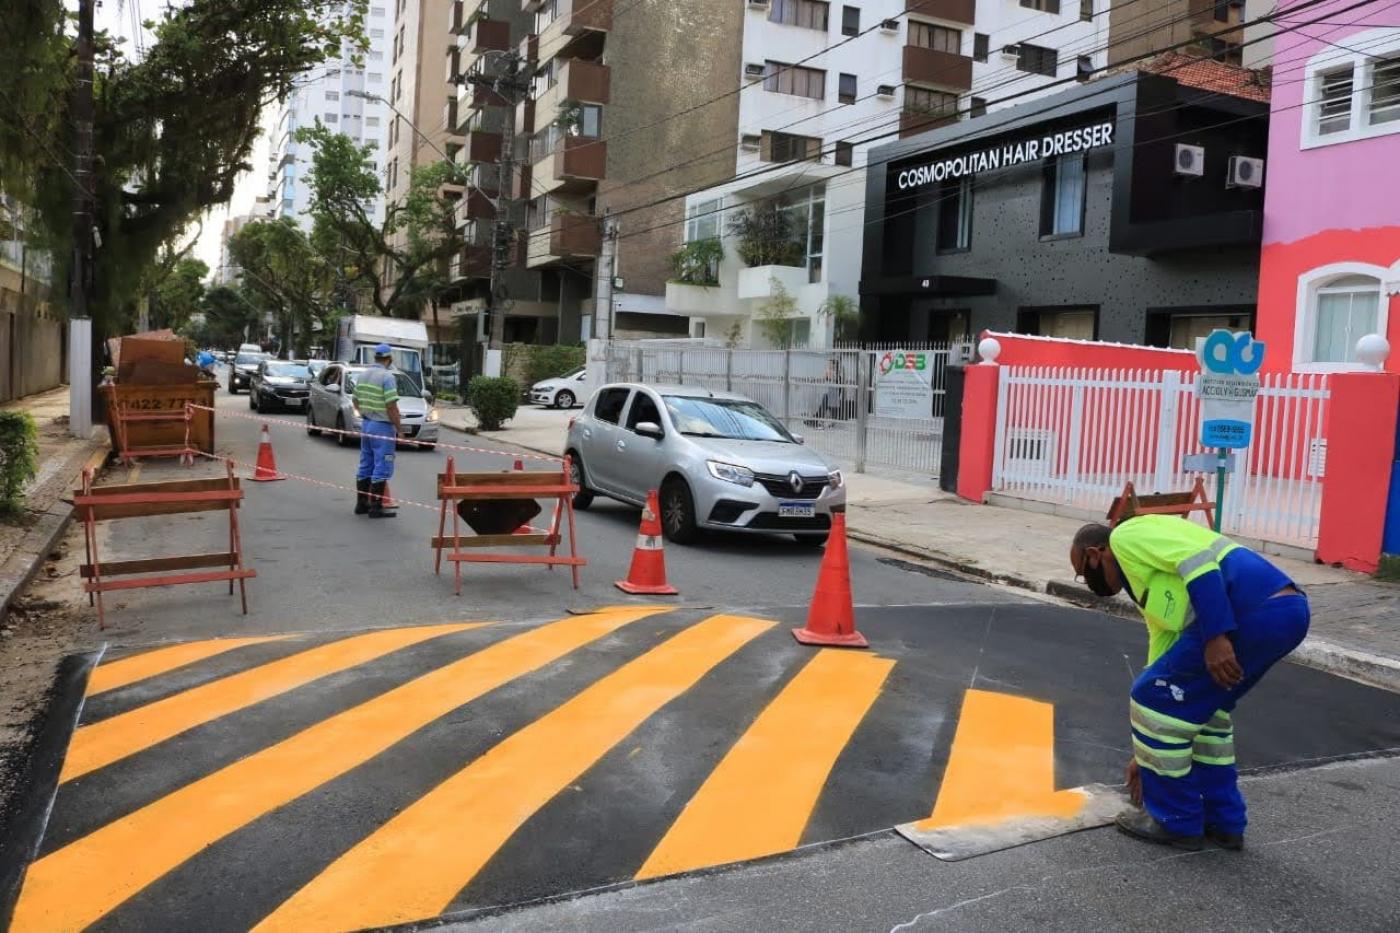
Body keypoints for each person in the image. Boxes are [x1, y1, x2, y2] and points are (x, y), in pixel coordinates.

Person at [1069, 514, 1310, 851]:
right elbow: (1162, 666)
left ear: (1096, 553)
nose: (1088, 580)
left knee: (1150, 699)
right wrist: (1146, 751)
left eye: (1083, 572)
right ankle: (1224, 822)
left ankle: (1175, 819)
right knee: (1203, 714)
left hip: (1249, 610)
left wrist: (1216, 635)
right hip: (1284, 612)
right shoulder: (1143, 583)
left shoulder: (1125, 537)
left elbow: (1199, 563)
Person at [353, 344, 402, 519]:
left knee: (366, 463)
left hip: (366, 425)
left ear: (375, 357)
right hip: (382, 427)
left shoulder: (363, 374)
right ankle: (375, 507)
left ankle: (361, 504)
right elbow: (391, 406)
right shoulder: (387, 377)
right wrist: (399, 429)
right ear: (389, 359)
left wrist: (367, 412)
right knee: (382, 464)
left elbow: (355, 401)